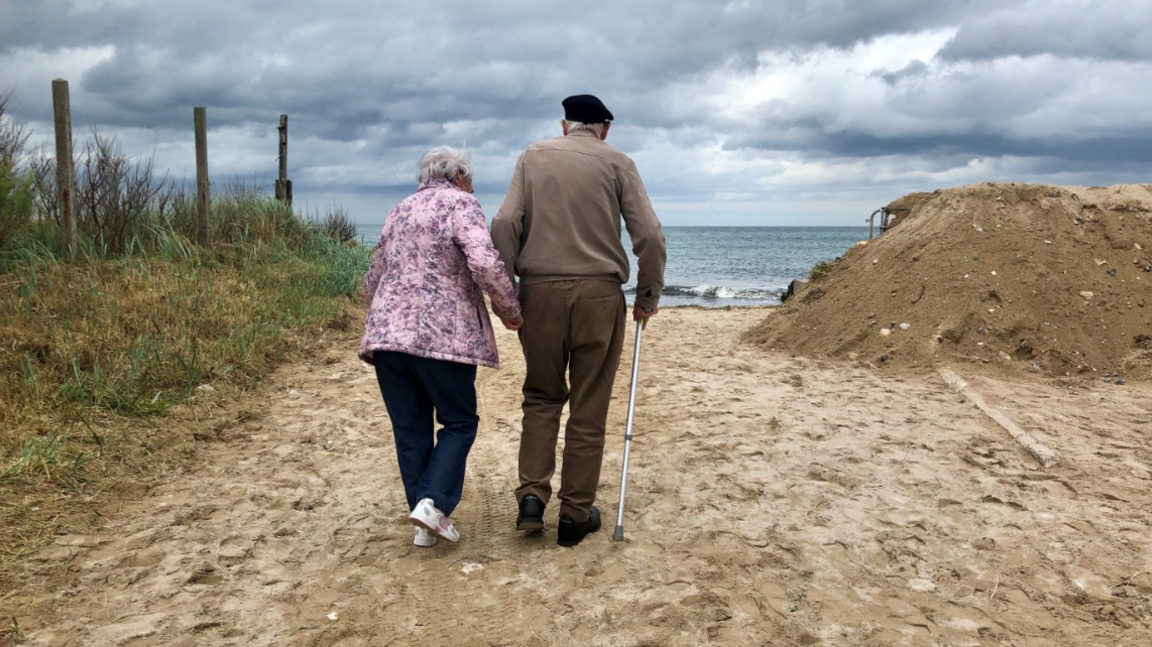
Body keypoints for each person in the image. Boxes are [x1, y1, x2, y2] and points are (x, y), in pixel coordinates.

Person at [492, 94, 667, 547]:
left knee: (542, 396)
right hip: (599, 295)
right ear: (605, 128)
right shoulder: (619, 162)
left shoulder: (533, 156)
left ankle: (532, 497)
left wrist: (506, 289)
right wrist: (647, 295)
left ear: (565, 124)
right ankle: (573, 514)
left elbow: (506, 222)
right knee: (589, 405)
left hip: (540, 292)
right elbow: (648, 235)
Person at [359, 146, 523, 548]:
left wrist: (380, 314)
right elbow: (485, 264)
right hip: (442, 337)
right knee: (459, 421)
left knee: (411, 430)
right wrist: (510, 309)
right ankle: (432, 503)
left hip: (388, 338)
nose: (473, 184)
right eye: (471, 177)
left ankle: (424, 523)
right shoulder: (461, 205)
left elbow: (374, 272)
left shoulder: (400, 209)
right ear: (460, 175)